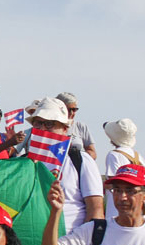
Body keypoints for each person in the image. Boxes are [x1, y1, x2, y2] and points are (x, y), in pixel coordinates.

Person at [27, 166, 145, 245]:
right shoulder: (94, 231)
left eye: (130, 191)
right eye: (117, 190)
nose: (122, 197)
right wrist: (56, 211)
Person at [31, 97, 104, 226]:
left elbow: (95, 210)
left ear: (65, 129)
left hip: (70, 241)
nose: (42, 129)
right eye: (37, 123)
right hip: (33, 240)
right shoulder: (28, 163)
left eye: (49, 123)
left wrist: (85, 243)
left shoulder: (81, 160)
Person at [103, 119, 141, 221]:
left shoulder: (114, 155)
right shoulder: (139, 157)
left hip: (116, 211)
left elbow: (112, 183)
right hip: (135, 211)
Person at [57, 92, 97, 160]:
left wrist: (80, 156)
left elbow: (93, 153)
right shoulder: (50, 126)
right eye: (68, 110)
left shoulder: (80, 126)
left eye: (74, 110)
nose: (72, 113)